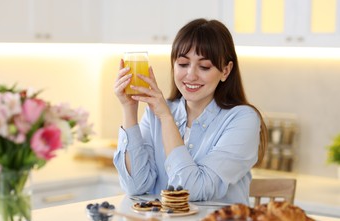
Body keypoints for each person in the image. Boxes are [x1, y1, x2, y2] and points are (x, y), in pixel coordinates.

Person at [113, 19, 267, 204]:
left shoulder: (243, 119)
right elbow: (135, 186)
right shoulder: (156, 113)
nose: (191, 75)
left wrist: (166, 118)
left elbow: (191, 191)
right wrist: (129, 109)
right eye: (183, 64)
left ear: (225, 70)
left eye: (204, 67)